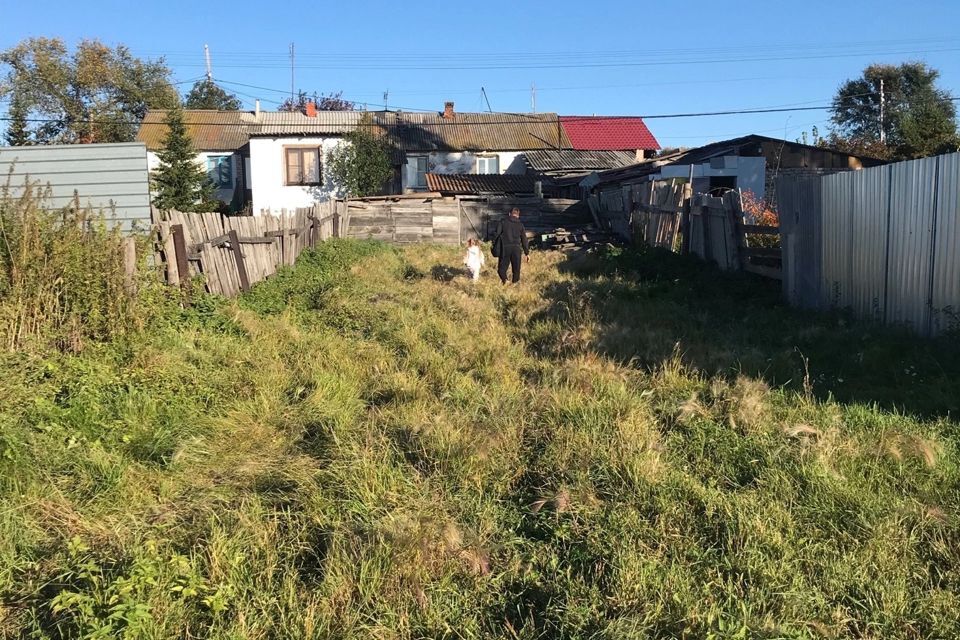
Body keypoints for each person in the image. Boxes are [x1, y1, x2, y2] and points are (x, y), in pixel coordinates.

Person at [494, 207, 530, 284]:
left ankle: (505, 281)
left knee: (501, 269)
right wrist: (527, 253)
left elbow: (496, 234)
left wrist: (494, 245)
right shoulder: (520, 225)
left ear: (509, 214)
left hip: (505, 248)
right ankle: (515, 284)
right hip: (516, 249)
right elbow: (524, 239)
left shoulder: (503, 222)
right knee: (516, 270)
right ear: (518, 215)